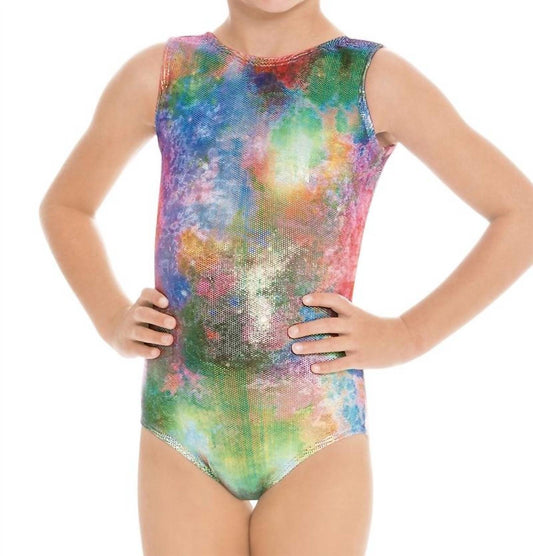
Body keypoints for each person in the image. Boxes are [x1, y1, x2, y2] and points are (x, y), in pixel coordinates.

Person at [38, 1, 533, 555]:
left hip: (315, 429)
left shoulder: (371, 80)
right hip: (184, 424)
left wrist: (408, 334)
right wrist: (110, 316)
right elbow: (66, 205)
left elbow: (521, 214)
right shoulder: (163, 75)